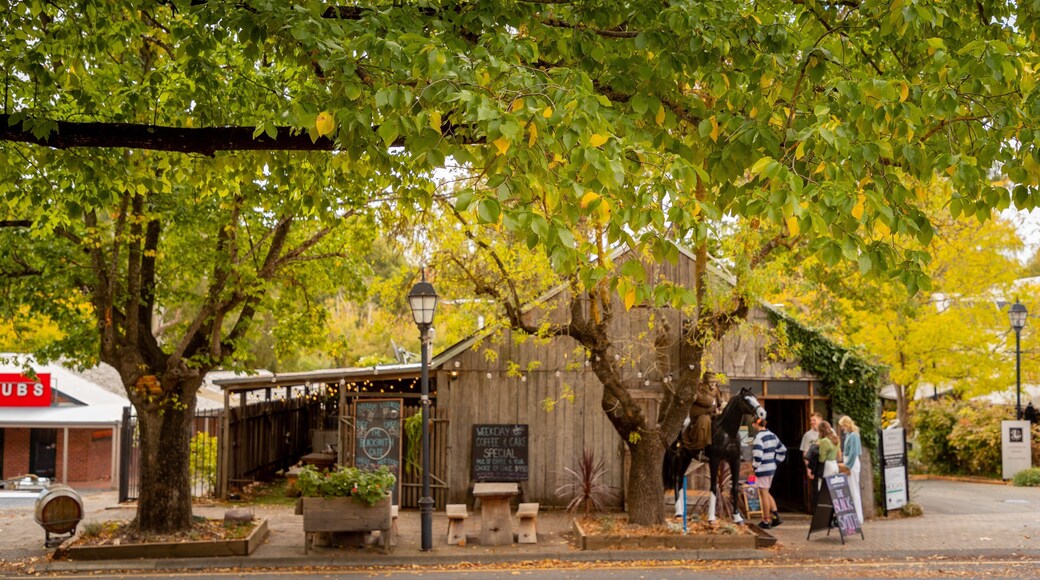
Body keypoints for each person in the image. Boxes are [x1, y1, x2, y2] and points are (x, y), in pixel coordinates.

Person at [752, 417, 787, 529]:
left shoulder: (758, 437)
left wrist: (754, 467)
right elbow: (783, 449)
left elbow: (758, 455)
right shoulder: (772, 435)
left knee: (763, 494)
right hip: (771, 468)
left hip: (762, 469)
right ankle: (776, 516)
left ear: (755, 424)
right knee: (766, 492)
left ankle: (766, 520)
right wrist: (775, 462)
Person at [838, 415, 864, 524]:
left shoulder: (853, 435)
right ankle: (855, 516)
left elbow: (853, 453)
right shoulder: (850, 435)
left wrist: (847, 466)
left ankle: (858, 517)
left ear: (847, 424)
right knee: (851, 489)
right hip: (850, 462)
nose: (842, 428)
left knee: (853, 489)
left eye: (843, 425)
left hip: (851, 463)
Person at [800, 412, 823, 491]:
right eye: (811, 420)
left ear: (820, 420)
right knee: (816, 490)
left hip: (827, 466)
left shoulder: (829, 432)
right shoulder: (807, 435)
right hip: (815, 466)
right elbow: (805, 453)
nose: (812, 422)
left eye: (814, 420)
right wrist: (808, 468)